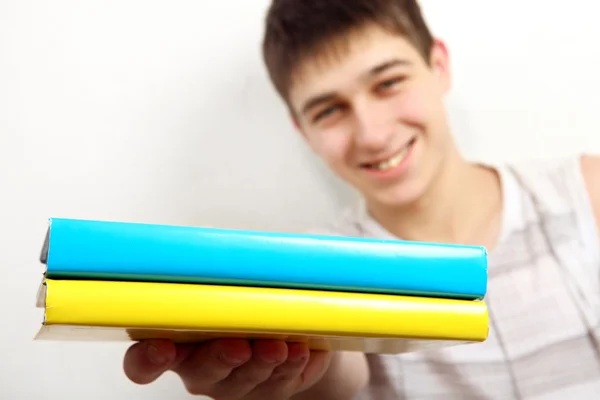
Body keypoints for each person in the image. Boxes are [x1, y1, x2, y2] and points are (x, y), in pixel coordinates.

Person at [122, 0, 600, 399]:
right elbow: (335, 367)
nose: (372, 135)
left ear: (439, 65)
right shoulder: (323, 268)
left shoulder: (586, 194)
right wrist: (296, 367)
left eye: (388, 82)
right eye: (329, 110)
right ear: (302, 131)